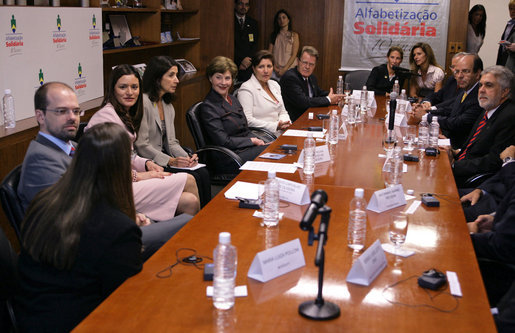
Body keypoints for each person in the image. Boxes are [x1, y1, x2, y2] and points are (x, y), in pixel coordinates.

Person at [17, 82, 190, 260]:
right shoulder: (41, 159)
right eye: (62, 111)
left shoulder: (72, 146)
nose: (72, 117)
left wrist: (129, 217)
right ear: (40, 116)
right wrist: (126, 222)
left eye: (76, 111)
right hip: (83, 246)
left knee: (181, 217)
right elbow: (69, 219)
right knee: (186, 224)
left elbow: (96, 193)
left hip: (104, 226)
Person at [15, 122, 143, 333]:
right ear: (120, 168)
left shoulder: (43, 201)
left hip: (31, 317)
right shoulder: (117, 229)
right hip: (83, 323)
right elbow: (127, 302)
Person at [85, 64, 200, 218]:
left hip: (126, 181)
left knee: (190, 201)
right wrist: (138, 176)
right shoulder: (105, 118)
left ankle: (185, 240)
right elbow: (104, 169)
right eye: (123, 87)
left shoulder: (123, 113)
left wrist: (146, 164)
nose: (130, 92)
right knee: (189, 179)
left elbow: (129, 155)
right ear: (112, 89)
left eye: (134, 87)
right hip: (114, 189)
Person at [136, 56, 211, 207]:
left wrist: (187, 158)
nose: (177, 80)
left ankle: (207, 215)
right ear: (157, 78)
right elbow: (142, 145)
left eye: (176, 75)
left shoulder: (167, 105)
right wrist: (171, 161)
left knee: (202, 172)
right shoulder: (143, 103)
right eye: (171, 75)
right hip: (153, 162)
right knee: (194, 176)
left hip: (167, 157)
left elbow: (171, 142)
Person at [199, 56, 269, 173]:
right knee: (270, 151)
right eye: (218, 78)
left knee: (274, 148)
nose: (223, 83)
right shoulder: (208, 106)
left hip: (244, 149)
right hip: (228, 157)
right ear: (210, 78)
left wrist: (260, 141)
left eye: (227, 78)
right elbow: (223, 141)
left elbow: (245, 130)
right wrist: (252, 141)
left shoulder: (233, 99)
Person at [450, 66, 515, 188]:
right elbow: (475, 147)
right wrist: (455, 152)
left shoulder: (509, 116)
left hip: (473, 182)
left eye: (489, 85)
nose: (481, 90)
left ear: (505, 91)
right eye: (480, 85)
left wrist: (454, 165)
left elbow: (494, 161)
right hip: (462, 168)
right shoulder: (488, 109)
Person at [410, 53, 484, 149]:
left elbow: (458, 123)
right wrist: (426, 111)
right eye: (457, 71)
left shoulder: (479, 96)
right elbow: (449, 110)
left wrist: (425, 116)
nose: (459, 76)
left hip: (459, 148)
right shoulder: (466, 89)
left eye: (465, 71)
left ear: (477, 74)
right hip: (447, 139)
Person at [280, 45, 342, 122]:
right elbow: (303, 102)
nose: (307, 67)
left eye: (311, 64)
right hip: (295, 121)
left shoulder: (311, 77)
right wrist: (328, 99)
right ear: (297, 61)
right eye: (305, 62)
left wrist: (336, 96)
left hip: (310, 118)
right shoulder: (290, 77)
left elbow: (318, 93)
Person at [237, 50, 291, 136]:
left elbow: (283, 111)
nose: (266, 71)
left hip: (281, 132)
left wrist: (285, 123)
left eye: (269, 66)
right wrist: (276, 126)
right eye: (261, 67)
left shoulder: (275, 84)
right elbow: (247, 120)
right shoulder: (246, 88)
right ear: (254, 69)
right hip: (262, 137)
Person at [460, 145, 515, 222]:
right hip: (489, 191)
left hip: (501, 205)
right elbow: (501, 173)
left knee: (451, 214)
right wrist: (481, 190)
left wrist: (508, 160)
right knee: (444, 195)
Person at [267, 9, 299, 78]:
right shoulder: (274, 35)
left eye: (284, 17)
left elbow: (294, 54)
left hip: (290, 69)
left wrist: (285, 69)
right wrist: (274, 67)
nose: (282, 20)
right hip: (276, 69)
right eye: (279, 18)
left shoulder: (294, 35)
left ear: (288, 20)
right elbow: (269, 53)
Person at [234, 0, 258, 83]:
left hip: (248, 64)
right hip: (234, 62)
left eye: (246, 5)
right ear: (235, 5)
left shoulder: (253, 23)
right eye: (241, 4)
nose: (244, 7)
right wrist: (240, 61)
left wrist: (247, 61)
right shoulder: (228, 21)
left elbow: (255, 45)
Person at [496, 0, 515, 67]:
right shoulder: (509, 24)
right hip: (503, 58)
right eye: (511, 9)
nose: (512, 11)